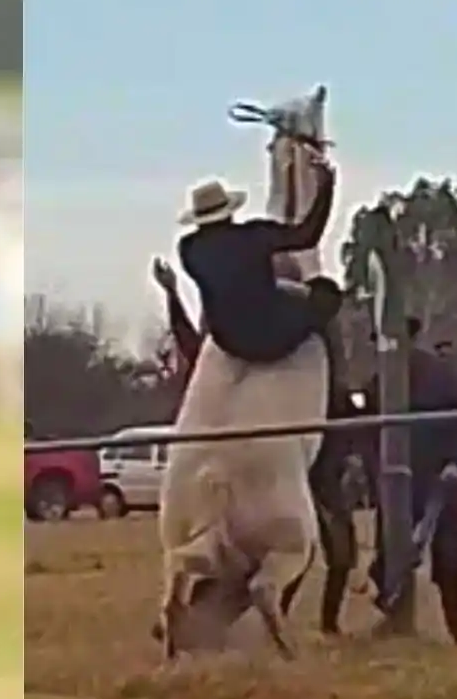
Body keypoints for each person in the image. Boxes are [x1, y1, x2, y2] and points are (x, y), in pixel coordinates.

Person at [150, 254, 358, 636]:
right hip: (295, 448)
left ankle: (214, 620)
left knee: (238, 540)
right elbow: (335, 385)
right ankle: (235, 619)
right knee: (299, 546)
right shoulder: (309, 330)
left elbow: (193, 347)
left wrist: (173, 295)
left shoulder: (233, 325)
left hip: (246, 446)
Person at [360, 317, 457, 644]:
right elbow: (368, 434)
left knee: (449, 558)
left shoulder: (444, 378)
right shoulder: (377, 384)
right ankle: (395, 621)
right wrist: (376, 474)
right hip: (397, 485)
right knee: (390, 559)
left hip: (440, 478)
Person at [175, 157, 340, 364]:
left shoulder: (188, 250)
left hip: (228, 340)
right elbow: (307, 236)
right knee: (326, 292)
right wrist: (326, 189)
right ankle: (337, 384)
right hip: (271, 334)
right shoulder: (253, 236)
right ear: (228, 211)